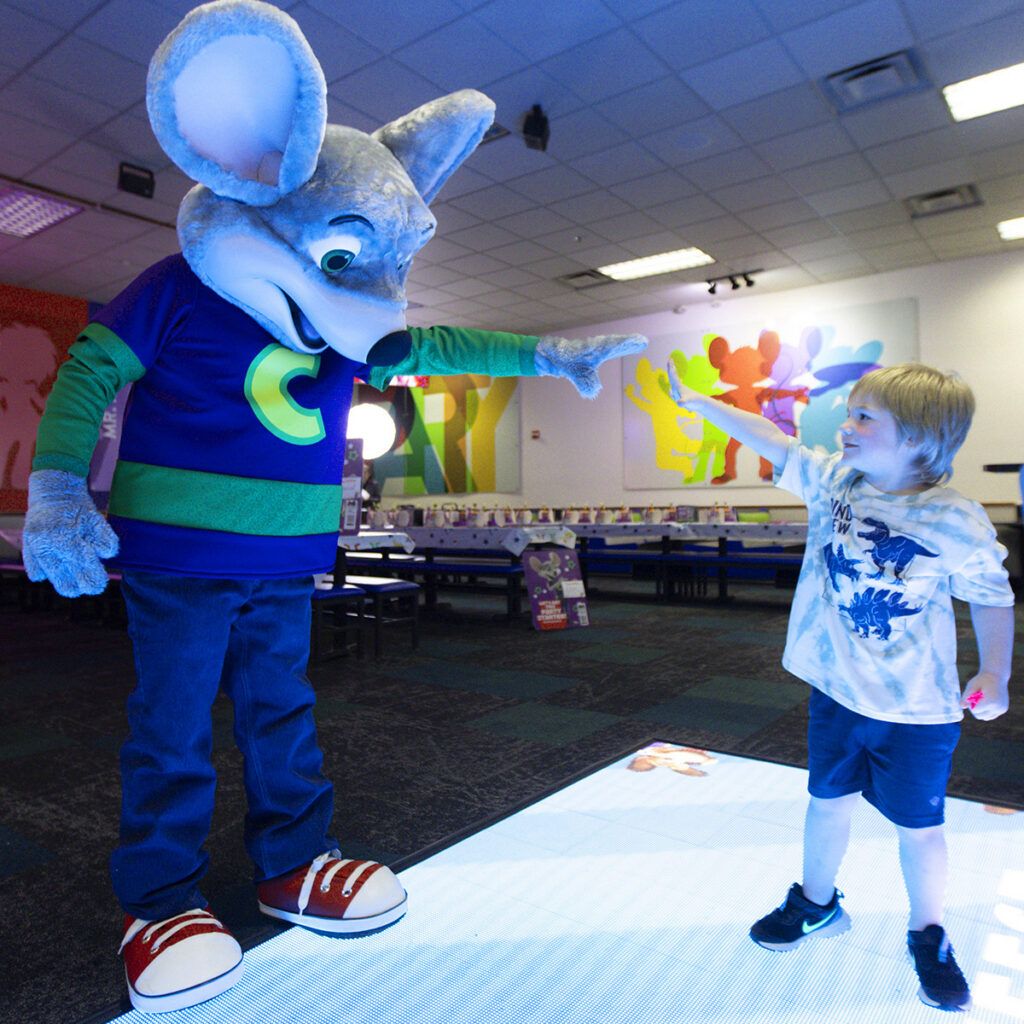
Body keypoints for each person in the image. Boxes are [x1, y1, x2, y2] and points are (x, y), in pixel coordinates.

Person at [667, 360, 1014, 1012]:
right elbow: (773, 442)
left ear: (919, 438)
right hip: (835, 693)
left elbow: (992, 599)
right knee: (826, 800)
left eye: (863, 417)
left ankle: (928, 932)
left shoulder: (955, 521)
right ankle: (817, 903)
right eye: (848, 412)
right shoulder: (836, 482)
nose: (844, 426)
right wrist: (698, 402)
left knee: (919, 826)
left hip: (916, 711)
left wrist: (995, 672)